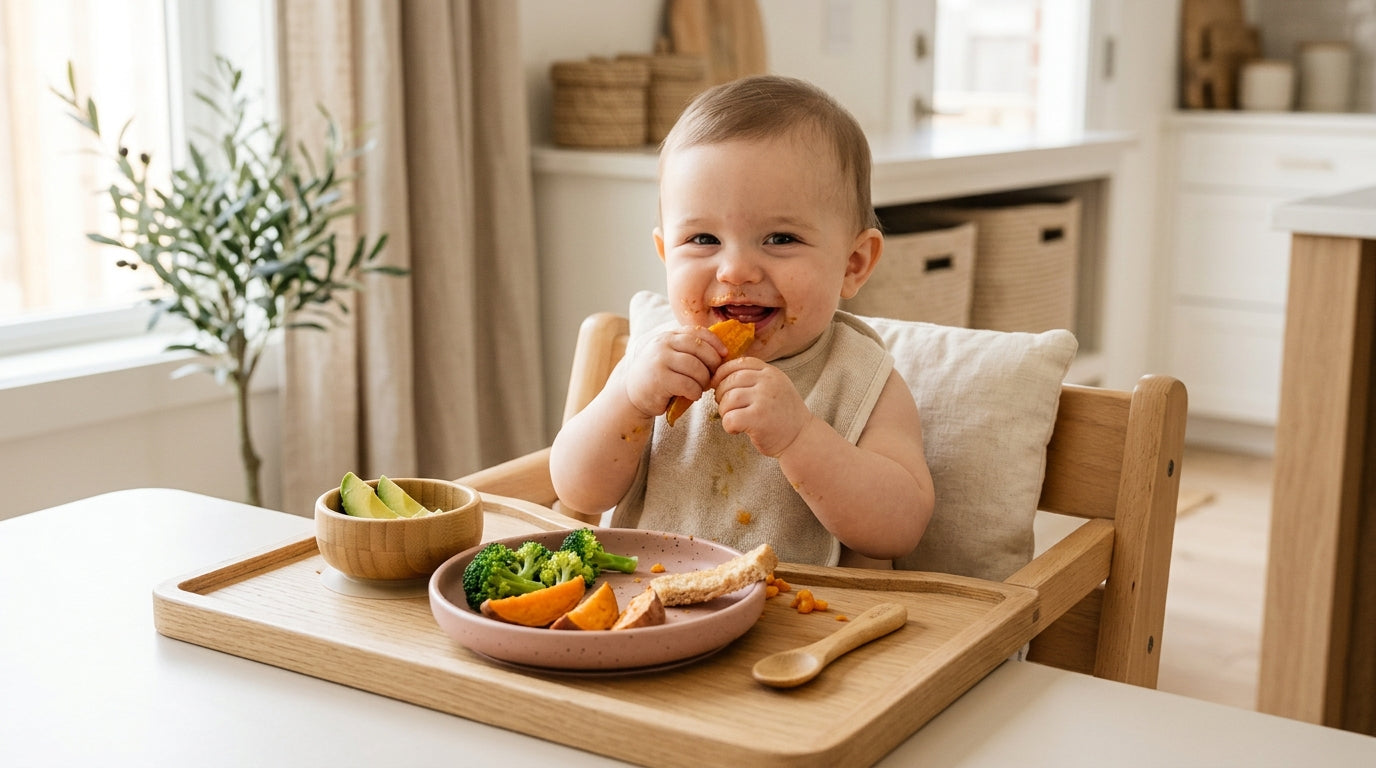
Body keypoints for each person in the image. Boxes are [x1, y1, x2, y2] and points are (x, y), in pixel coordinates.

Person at [549, 75, 934, 567]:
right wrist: (629, 401)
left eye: (780, 239)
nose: (735, 270)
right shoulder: (651, 363)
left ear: (852, 264)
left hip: (802, 609)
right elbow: (577, 492)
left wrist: (799, 436)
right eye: (703, 239)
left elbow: (899, 530)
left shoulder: (862, 379)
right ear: (666, 254)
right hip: (651, 597)